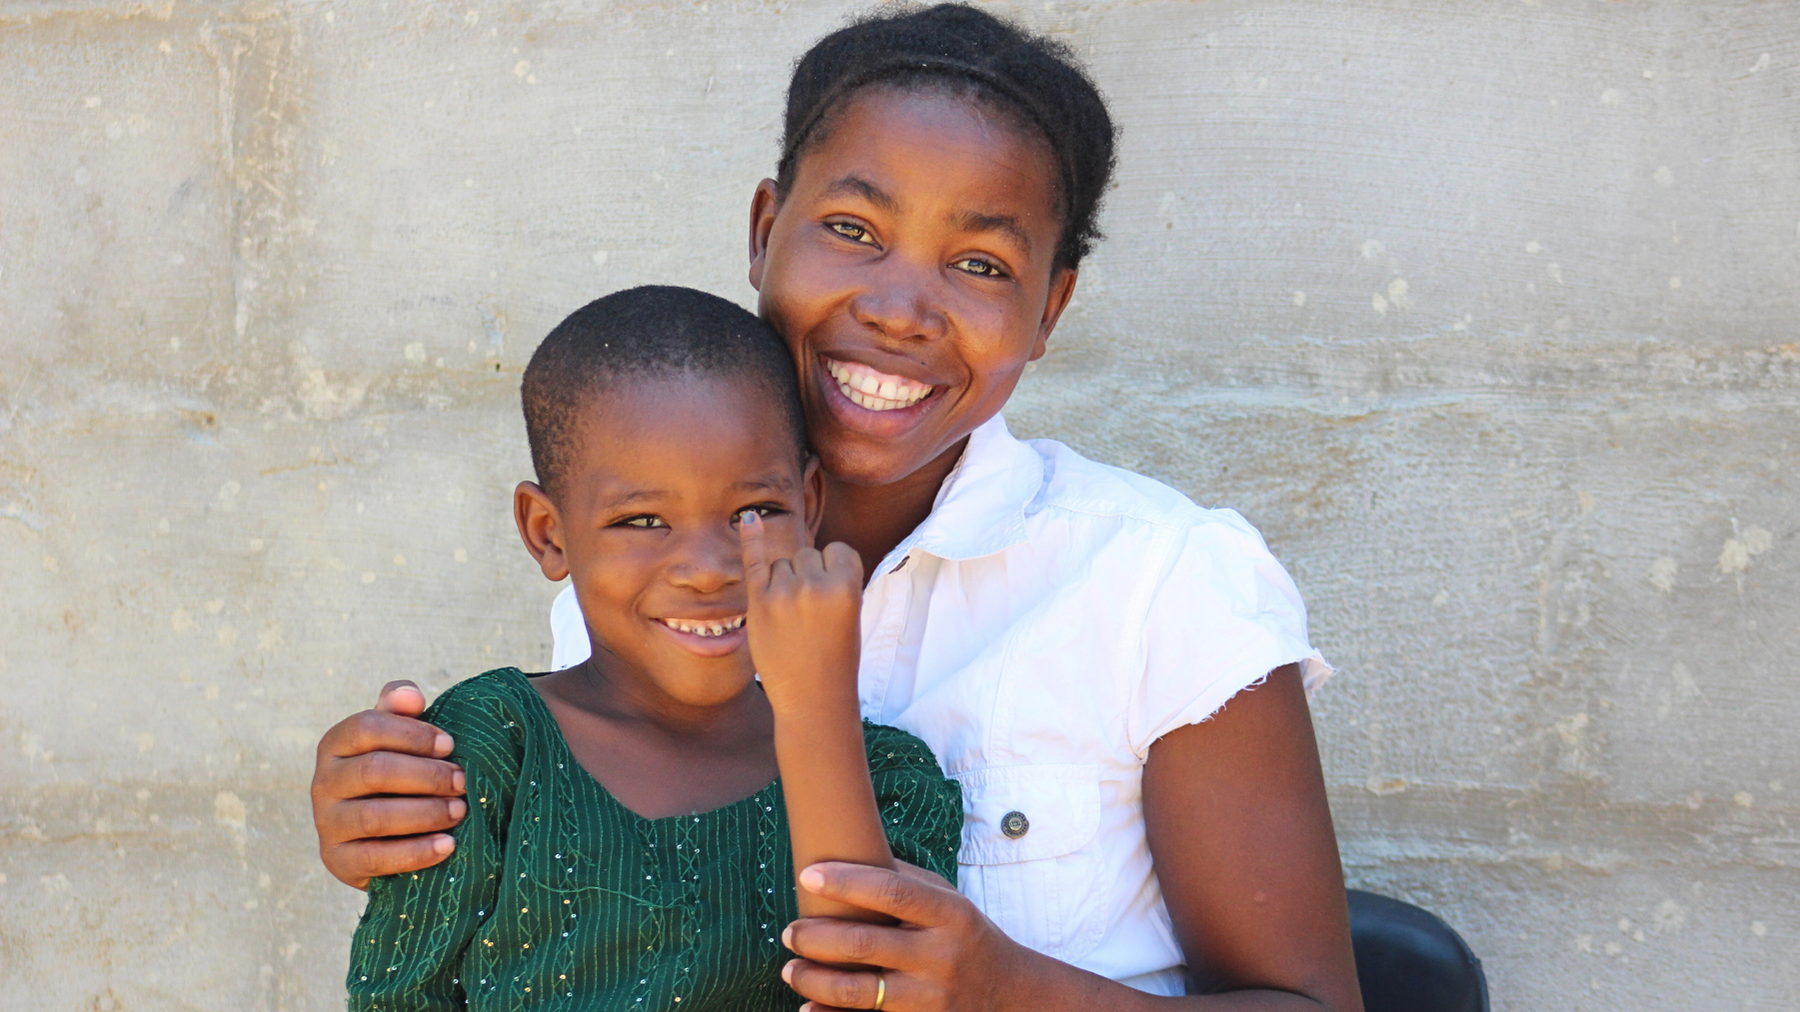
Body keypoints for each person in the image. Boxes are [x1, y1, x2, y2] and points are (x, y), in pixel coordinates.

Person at [313, 6, 1364, 1010]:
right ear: (766, 230)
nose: (900, 307)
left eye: (980, 264)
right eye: (854, 228)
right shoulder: (666, 563)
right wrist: (405, 810)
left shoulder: (1162, 585)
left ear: (1049, 307)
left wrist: (1012, 993)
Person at [346, 286, 962, 1010]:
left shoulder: (890, 778)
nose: (707, 567)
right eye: (642, 520)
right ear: (548, 532)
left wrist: (814, 711)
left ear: (810, 506)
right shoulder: (494, 747)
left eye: (755, 511)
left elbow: (873, 988)